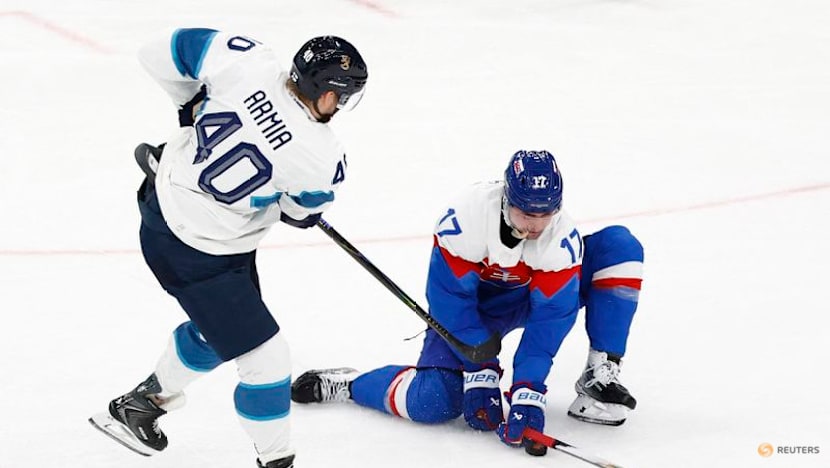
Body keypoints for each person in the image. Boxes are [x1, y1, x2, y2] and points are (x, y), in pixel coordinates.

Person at [88, 28, 368, 468]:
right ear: (322, 90)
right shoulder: (321, 157)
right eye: (341, 96)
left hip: (165, 199)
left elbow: (159, 52)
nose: (341, 107)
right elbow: (298, 213)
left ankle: (140, 405)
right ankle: (276, 460)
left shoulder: (248, 60)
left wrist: (189, 106)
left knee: (219, 332)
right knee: (268, 363)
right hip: (200, 251)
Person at [290, 150, 644, 451]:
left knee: (620, 247)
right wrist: (480, 367)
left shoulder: (560, 240)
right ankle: (352, 385)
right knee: (433, 403)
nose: (537, 225)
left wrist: (529, 388)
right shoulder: (466, 219)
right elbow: (449, 301)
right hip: (476, 309)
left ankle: (599, 376)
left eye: (545, 214)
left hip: (533, 299)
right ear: (508, 198)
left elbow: (551, 319)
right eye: (527, 213)